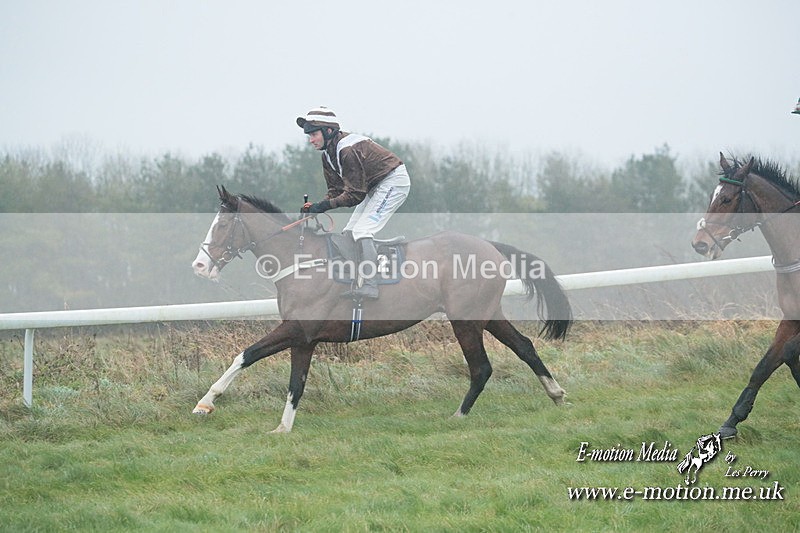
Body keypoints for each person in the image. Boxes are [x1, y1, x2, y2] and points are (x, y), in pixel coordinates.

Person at [297, 106, 410, 299]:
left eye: (314, 134)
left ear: (328, 131)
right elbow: (335, 190)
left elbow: (355, 195)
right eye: (309, 136)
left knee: (362, 231)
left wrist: (323, 206)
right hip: (373, 186)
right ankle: (357, 278)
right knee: (349, 233)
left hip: (393, 182)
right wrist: (316, 207)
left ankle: (371, 285)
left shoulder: (347, 150)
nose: (311, 140)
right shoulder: (327, 155)